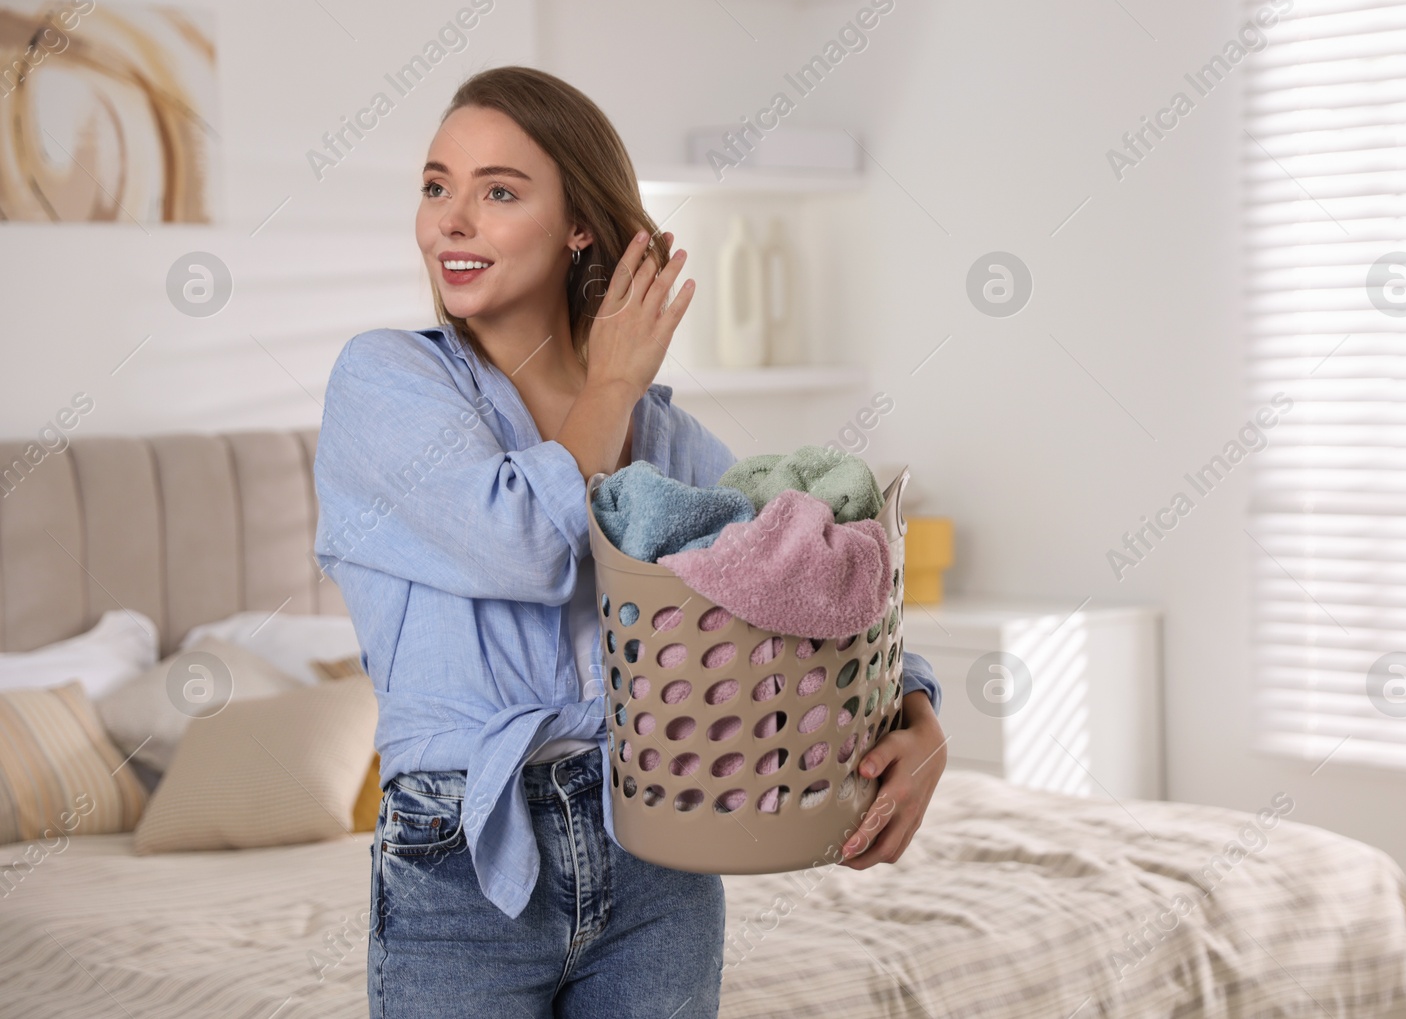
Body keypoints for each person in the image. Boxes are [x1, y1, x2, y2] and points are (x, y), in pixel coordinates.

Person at [312, 66, 948, 1019]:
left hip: (657, 842)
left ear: (579, 226)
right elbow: (521, 547)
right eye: (437, 186)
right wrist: (608, 386)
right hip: (463, 860)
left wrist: (915, 710)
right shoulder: (384, 382)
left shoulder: (666, 436)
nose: (450, 219)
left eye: (498, 191)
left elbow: (791, 584)